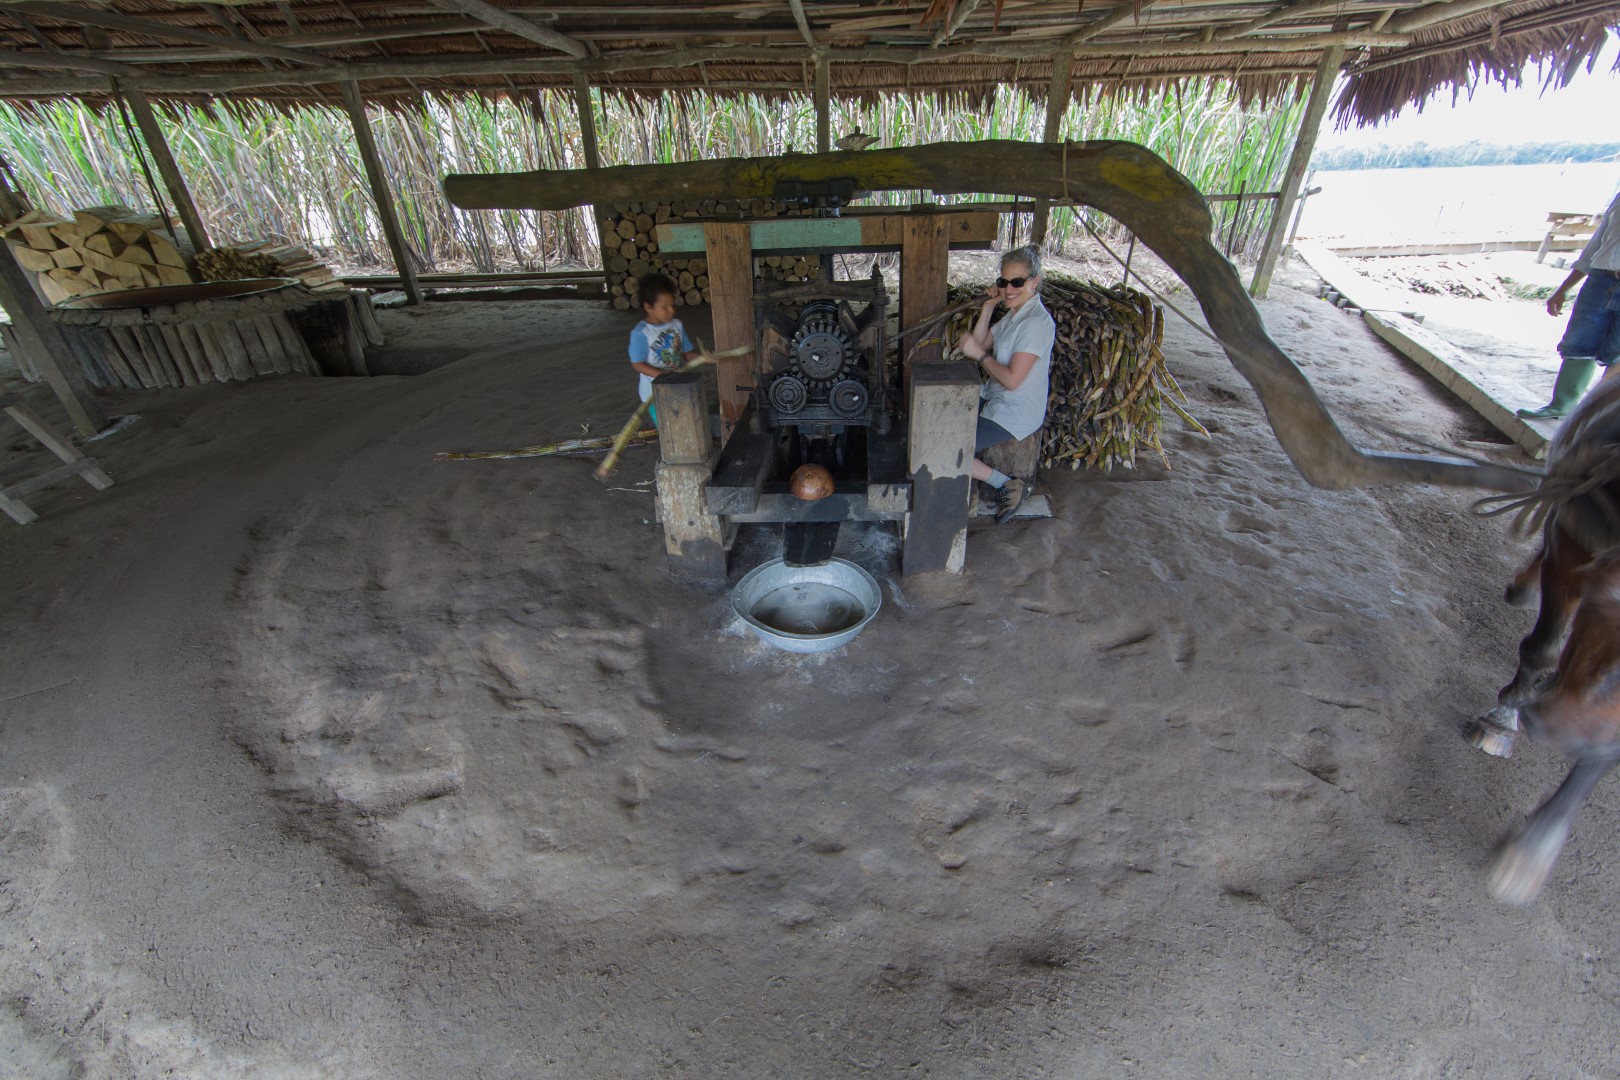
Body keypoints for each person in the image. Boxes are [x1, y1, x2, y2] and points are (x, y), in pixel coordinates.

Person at [956, 244, 1057, 523]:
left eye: (1017, 282)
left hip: (1015, 410)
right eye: (1004, 282)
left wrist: (981, 356)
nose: (1009, 289)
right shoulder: (1015, 315)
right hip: (994, 396)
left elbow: (1012, 379)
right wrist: (988, 306)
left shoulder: (1035, 323)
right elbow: (977, 343)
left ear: (1034, 282)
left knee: (952, 447)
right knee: (944, 424)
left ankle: (1006, 483)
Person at [1518, 189, 1620, 420]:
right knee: (1579, 342)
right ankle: (1561, 405)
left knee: (1617, 352)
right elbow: (1594, 248)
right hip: (1600, 279)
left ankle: (1600, 417)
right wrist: (1563, 289)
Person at [629, 273, 701, 426]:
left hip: (677, 386)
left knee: (684, 425)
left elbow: (687, 353)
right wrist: (662, 376)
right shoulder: (641, 333)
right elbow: (637, 364)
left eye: (672, 305)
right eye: (664, 307)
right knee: (667, 429)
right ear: (648, 307)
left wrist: (705, 357)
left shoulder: (676, 325)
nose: (671, 311)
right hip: (653, 394)